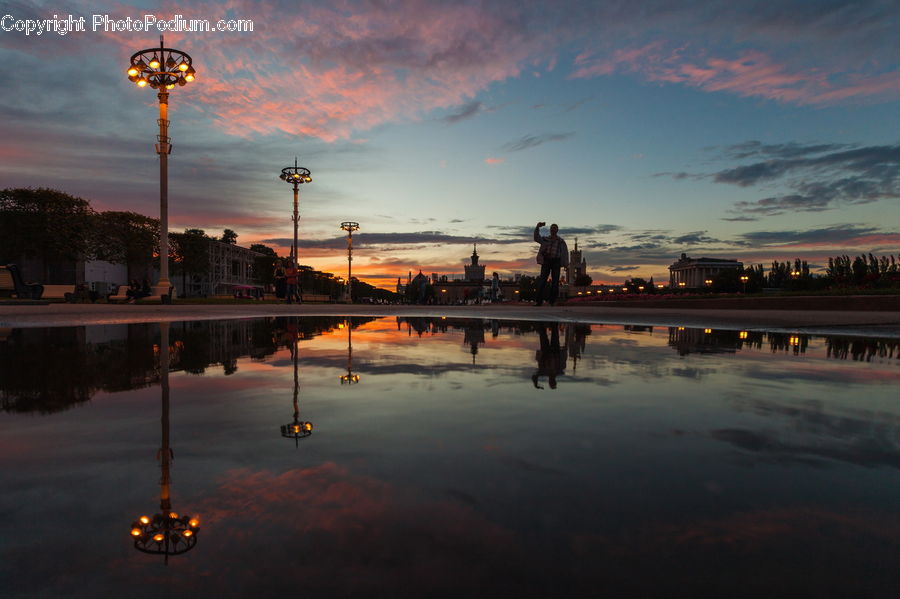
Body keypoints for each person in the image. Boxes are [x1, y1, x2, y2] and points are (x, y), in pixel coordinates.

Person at [533, 221, 569, 306]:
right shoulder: (545, 239)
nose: (553, 230)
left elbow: (565, 253)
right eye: (551, 228)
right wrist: (537, 227)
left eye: (554, 228)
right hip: (546, 261)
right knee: (542, 281)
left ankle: (552, 301)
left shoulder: (561, 241)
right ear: (550, 230)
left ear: (557, 230)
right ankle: (539, 301)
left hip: (556, 262)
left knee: (555, 282)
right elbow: (536, 237)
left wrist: (565, 264)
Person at [532, 323, 567, 389]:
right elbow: (563, 360)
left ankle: (541, 321)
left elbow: (534, 377)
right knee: (554, 331)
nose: (552, 380)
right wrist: (563, 351)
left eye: (551, 382)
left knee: (542, 333)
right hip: (555, 351)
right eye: (553, 382)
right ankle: (553, 322)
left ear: (549, 381)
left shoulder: (544, 372)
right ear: (555, 381)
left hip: (545, 352)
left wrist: (536, 384)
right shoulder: (559, 371)